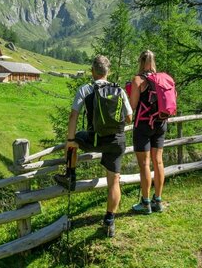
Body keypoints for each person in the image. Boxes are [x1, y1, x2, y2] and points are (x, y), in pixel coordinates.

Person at [53, 55, 132, 237]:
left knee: (75, 141)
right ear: (108, 71)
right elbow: (129, 117)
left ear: (92, 72)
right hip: (116, 141)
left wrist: (70, 140)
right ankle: (110, 220)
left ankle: (70, 175)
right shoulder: (119, 90)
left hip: (94, 140)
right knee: (114, 181)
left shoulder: (86, 89)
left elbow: (73, 116)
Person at [129, 50, 166, 214]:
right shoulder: (161, 79)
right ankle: (158, 200)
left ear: (140, 61)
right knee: (158, 162)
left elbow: (133, 106)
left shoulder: (138, 80)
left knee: (145, 164)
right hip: (160, 124)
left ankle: (145, 203)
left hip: (143, 126)